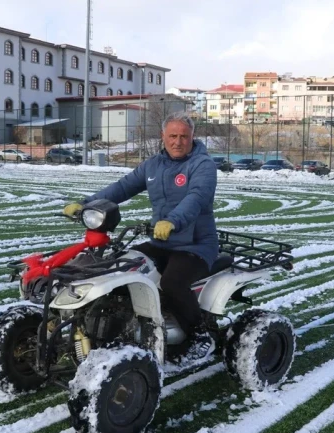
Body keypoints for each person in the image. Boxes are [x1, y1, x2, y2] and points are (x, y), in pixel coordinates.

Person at [63, 111, 219, 366]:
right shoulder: (153, 165)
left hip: (196, 245)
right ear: (163, 136)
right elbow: (122, 187)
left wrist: (173, 221)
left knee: (172, 282)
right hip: (161, 242)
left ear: (192, 137)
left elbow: (197, 197)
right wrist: (85, 204)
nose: (177, 142)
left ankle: (200, 336)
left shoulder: (203, 165)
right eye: (172, 136)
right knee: (122, 266)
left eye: (183, 136)